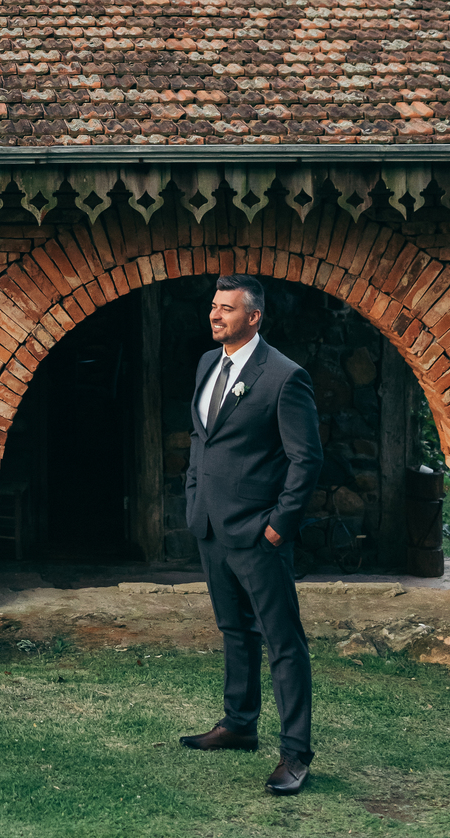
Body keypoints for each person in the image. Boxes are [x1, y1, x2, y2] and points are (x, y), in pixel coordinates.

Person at [180, 274, 322, 797]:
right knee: (234, 630)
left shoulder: (285, 377)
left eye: (227, 309)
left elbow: (306, 460)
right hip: (210, 526)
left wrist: (278, 525)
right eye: (214, 307)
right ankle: (239, 724)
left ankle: (295, 754)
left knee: (283, 643)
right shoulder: (205, 363)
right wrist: (193, 496)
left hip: (260, 533)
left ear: (254, 317)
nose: (215, 316)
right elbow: (203, 438)